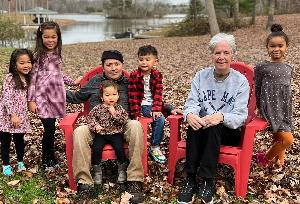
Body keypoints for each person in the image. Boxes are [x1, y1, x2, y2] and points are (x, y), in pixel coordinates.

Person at [177, 33, 250, 204]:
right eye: (217, 53)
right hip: (203, 127)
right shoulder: (201, 76)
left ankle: (208, 180)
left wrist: (221, 116)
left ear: (233, 55)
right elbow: (192, 103)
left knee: (212, 126)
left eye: (226, 52)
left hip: (229, 131)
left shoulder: (241, 81)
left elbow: (241, 116)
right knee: (195, 125)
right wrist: (191, 115)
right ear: (212, 55)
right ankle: (191, 178)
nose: (221, 57)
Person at [66, 50, 144, 204]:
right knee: (80, 131)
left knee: (135, 125)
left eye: (117, 64)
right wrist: (53, 91)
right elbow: (77, 97)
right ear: (103, 67)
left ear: (122, 65)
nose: (113, 68)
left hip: (122, 124)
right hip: (97, 127)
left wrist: (166, 108)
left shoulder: (129, 82)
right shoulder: (95, 81)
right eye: (109, 65)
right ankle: (85, 183)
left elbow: (147, 98)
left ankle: (134, 180)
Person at [27, 21, 81, 171]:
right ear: (40, 38)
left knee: (52, 129)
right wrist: (31, 100)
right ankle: (46, 160)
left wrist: (72, 82)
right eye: (46, 37)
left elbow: (58, 74)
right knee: (49, 129)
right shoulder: (38, 57)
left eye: (53, 37)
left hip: (56, 96)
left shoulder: (56, 54)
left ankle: (51, 156)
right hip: (43, 99)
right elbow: (32, 80)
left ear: (58, 37)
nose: (50, 40)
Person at [254, 24, 294, 169]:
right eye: (272, 46)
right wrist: (258, 107)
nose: (276, 49)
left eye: (280, 46)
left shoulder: (289, 68)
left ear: (286, 47)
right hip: (269, 108)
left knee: (279, 135)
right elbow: (257, 88)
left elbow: (286, 91)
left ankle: (280, 159)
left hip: (284, 107)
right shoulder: (261, 67)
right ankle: (265, 158)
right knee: (288, 140)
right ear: (267, 48)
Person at [128, 45, 167, 164]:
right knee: (160, 119)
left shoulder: (157, 75)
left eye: (147, 59)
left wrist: (156, 108)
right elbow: (132, 95)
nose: (144, 62)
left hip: (153, 104)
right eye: (141, 59)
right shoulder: (134, 75)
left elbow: (158, 93)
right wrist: (135, 114)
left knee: (166, 112)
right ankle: (154, 147)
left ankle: (155, 144)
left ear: (155, 61)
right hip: (142, 105)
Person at [87, 80, 128, 185]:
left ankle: (122, 169)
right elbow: (90, 119)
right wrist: (96, 126)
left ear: (118, 96)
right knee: (96, 149)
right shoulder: (98, 108)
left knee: (119, 148)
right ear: (102, 97)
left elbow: (124, 120)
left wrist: (115, 114)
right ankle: (97, 171)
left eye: (114, 94)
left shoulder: (119, 108)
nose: (111, 97)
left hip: (116, 133)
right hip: (101, 134)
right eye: (107, 95)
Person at [0, 49, 33, 176]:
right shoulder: (10, 78)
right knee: (6, 141)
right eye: (22, 63)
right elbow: (6, 98)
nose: (26, 65)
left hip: (21, 115)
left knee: (19, 140)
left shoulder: (28, 77)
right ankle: (6, 165)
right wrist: (12, 115)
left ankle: (20, 161)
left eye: (29, 62)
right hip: (7, 115)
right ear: (14, 64)